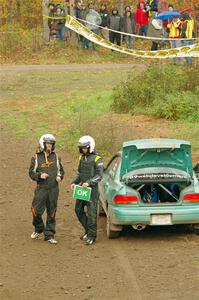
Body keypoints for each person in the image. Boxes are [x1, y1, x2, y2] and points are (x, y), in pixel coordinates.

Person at [29, 134, 64, 244]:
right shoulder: (36, 157)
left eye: (51, 144)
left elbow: (61, 171)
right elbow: (31, 173)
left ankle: (49, 234)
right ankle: (39, 228)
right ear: (42, 144)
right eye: (48, 144)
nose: (49, 146)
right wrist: (40, 176)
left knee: (52, 212)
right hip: (41, 188)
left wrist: (59, 176)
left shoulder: (56, 157)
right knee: (35, 210)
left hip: (53, 189)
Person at [71, 136, 103, 246]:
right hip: (82, 189)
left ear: (90, 147)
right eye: (82, 148)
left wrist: (89, 182)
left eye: (85, 148)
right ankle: (88, 230)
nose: (83, 150)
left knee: (92, 213)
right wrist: (74, 182)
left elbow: (99, 176)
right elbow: (79, 173)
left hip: (92, 191)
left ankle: (92, 236)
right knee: (78, 210)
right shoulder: (82, 158)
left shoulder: (97, 159)